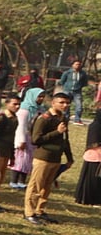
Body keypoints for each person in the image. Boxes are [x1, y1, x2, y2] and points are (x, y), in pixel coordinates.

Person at [24, 92, 74, 225]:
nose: (65, 105)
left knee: (46, 187)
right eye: (62, 102)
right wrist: (56, 132)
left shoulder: (63, 118)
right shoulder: (44, 118)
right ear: (53, 103)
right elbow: (36, 140)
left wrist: (69, 158)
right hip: (43, 157)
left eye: (67, 103)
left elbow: (65, 140)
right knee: (36, 185)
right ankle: (29, 212)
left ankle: (40, 210)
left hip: (55, 158)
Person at [75, 115, 101, 206]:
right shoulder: (96, 126)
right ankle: (91, 200)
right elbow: (94, 142)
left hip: (97, 156)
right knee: (93, 180)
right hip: (94, 156)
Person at [59, 60, 90, 125]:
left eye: (79, 64)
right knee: (66, 105)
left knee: (79, 105)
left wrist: (79, 87)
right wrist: (65, 87)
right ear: (72, 65)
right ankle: (65, 118)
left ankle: (77, 119)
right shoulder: (67, 72)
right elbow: (62, 81)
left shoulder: (83, 73)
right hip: (67, 90)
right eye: (76, 64)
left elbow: (85, 82)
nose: (78, 65)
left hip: (77, 92)